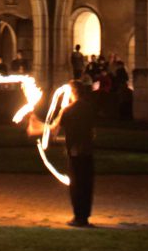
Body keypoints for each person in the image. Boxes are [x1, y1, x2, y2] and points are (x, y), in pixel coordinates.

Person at [30, 78, 98, 227]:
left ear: (72, 92)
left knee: (76, 185)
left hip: (74, 152)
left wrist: (34, 125)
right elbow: (92, 132)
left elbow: (53, 130)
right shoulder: (88, 108)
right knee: (86, 185)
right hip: (87, 151)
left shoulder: (67, 110)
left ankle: (78, 218)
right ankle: (84, 217)